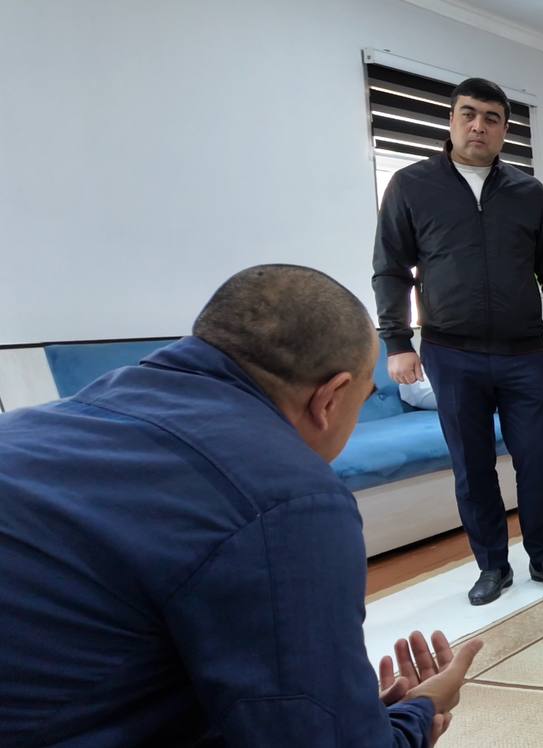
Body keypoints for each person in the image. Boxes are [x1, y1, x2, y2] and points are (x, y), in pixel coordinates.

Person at [0, 265, 481, 747]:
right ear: (331, 397)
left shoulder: (32, 426)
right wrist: (418, 714)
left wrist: (344, 709)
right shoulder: (285, 497)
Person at [372, 78, 543, 606]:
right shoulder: (411, 185)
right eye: (468, 114)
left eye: (491, 118)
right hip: (451, 352)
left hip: (523, 352)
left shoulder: (528, 192)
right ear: (451, 120)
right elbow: (391, 270)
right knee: (472, 465)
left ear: (505, 128)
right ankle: (492, 565)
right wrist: (397, 342)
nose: (478, 126)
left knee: (539, 459)